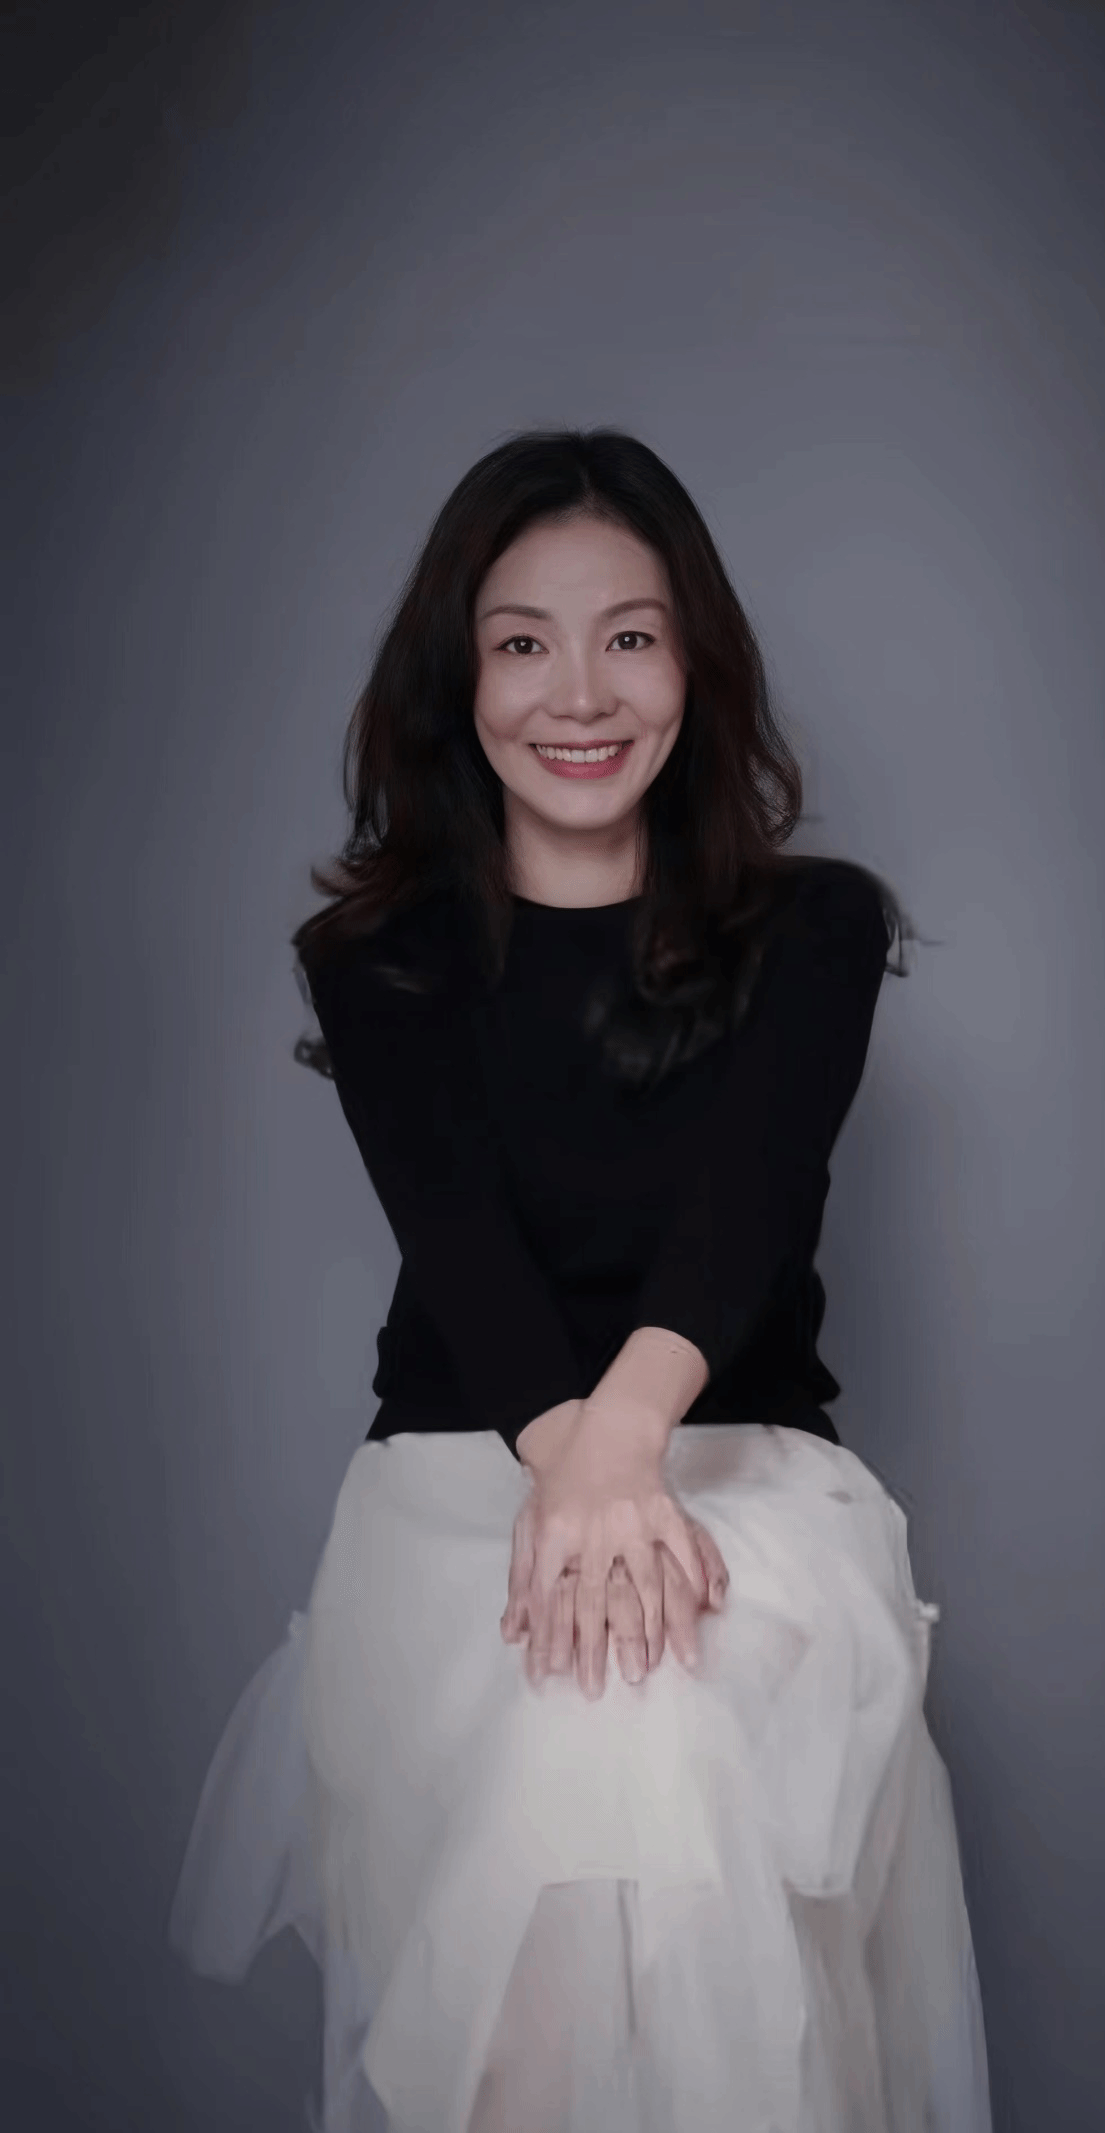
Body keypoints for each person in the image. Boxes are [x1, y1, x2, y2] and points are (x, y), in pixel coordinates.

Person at [169, 428, 992, 2133]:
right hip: (462, 1498)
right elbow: (462, 1250)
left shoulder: (815, 931)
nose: (581, 693)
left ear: (695, 661)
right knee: (578, 1787)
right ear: (458, 679)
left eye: (629, 636)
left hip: (748, 1490)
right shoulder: (377, 960)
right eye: (523, 642)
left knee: (641, 1743)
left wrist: (623, 1454)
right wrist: (583, 1468)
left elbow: (748, 1205)